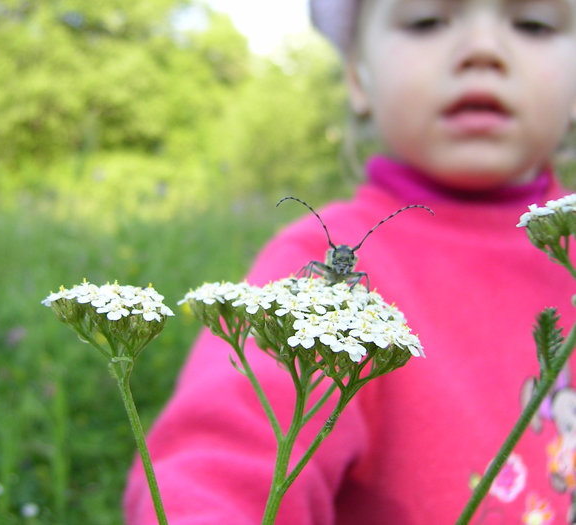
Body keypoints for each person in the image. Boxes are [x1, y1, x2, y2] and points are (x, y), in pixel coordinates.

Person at [124, 0, 576, 523]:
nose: (482, 51)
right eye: (426, 21)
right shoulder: (309, 254)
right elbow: (217, 456)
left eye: (534, 24)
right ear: (357, 79)